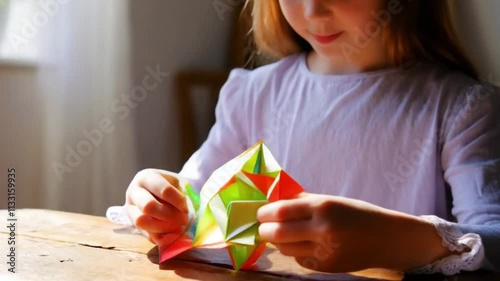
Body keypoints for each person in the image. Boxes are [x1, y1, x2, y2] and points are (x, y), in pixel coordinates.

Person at [109, 0, 500, 275]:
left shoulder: (462, 106)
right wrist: (157, 199)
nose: (313, 10)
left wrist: (391, 238)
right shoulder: (252, 95)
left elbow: (493, 240)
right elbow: (193, 199)